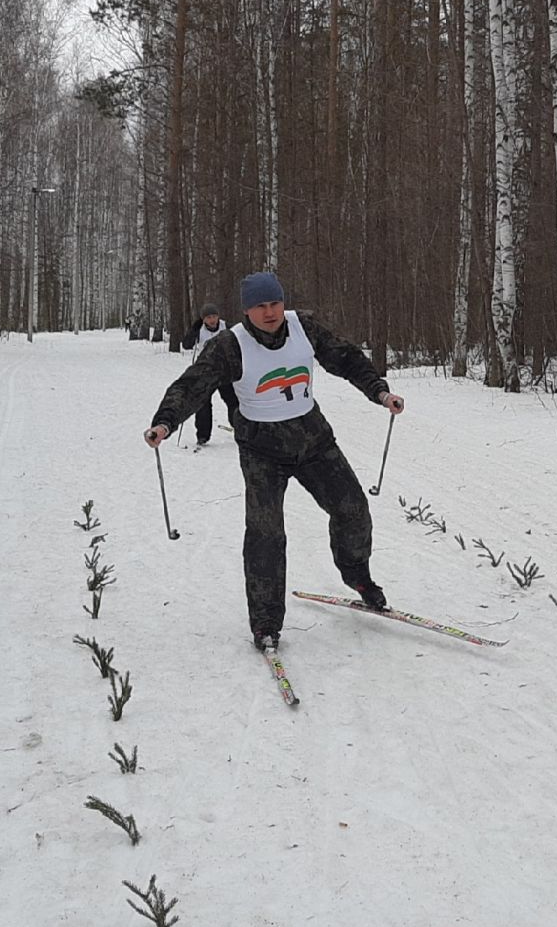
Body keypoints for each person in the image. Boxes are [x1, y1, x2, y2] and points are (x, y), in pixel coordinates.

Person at [145, 272, 406, 649]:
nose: (270, 313)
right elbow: (192, 385)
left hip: (313, 440)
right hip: (261, 450)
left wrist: (379, 392)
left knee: (353, 509)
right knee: (266, 536)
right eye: (260, 306)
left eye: (275, 303)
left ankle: (357, 576)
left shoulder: (303, 327)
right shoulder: (228, 345)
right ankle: (266, 622)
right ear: (247, 310)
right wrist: (165, 422)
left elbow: (346, 358)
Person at [180, 303, 232, 447]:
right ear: (203, 319)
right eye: (209, 317)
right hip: (205, 371)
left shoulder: (226, 326)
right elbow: (186, 345)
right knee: (202, 403)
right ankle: (203, 435)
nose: (212, 320)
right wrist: (193, 329)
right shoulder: (199, 330)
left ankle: (240, 428)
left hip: (225, 370)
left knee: (233, 400)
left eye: (214, 316)